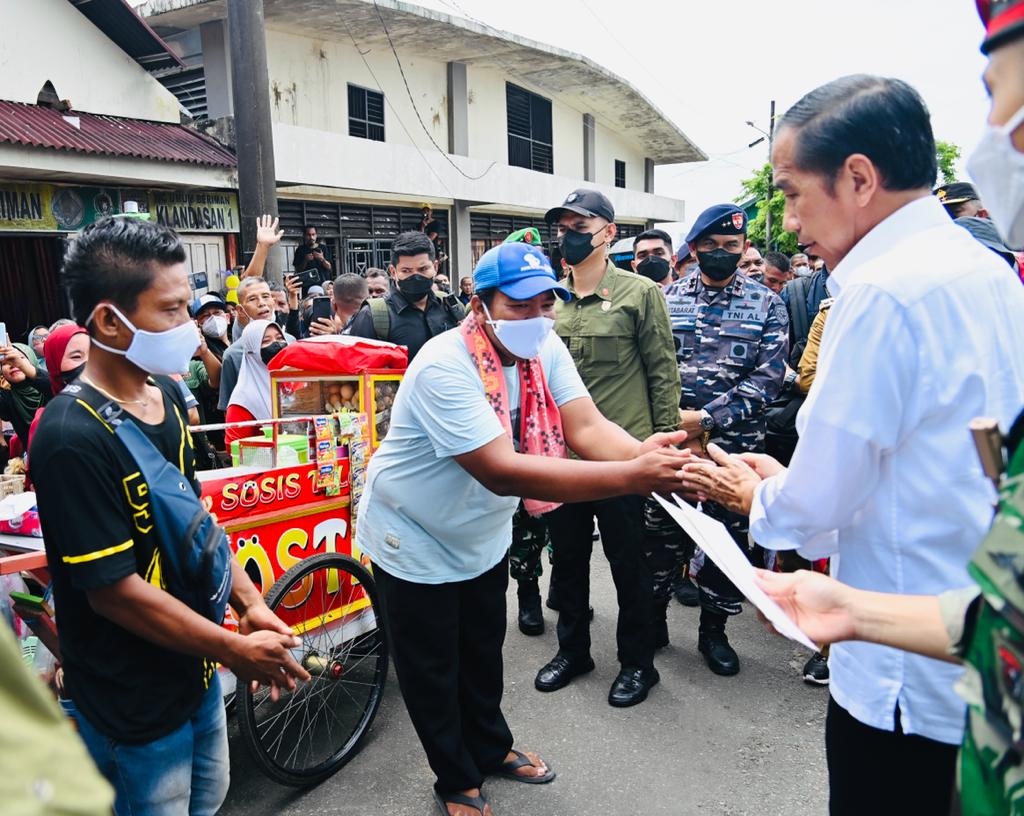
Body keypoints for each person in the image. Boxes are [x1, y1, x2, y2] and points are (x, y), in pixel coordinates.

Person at [679, 73, 1024, 816]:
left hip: (904, 677)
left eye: (794, 193)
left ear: (858, 178)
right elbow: (919, 463)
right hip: (975, 650)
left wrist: (756, 493)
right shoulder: (983, 271)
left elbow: (821, 498)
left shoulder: (880, 292)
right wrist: (793, 484)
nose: (790, 222)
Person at [356, 241, 691, 816]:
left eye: (546, 304)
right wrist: (633, 477)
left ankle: (490, 746)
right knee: (433, 666)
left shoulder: (543, 347)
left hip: (480, 533)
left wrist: (644, 456)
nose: (537, 318)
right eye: (520, 306)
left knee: (483, 649)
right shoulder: (444, 364)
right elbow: (501, 470)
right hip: (413, 533)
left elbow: (584, 424)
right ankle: (455, 778)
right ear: (480, 304)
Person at [30, 217, 309, 816]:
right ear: (109, 321)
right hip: (129, 702)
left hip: (198, 676)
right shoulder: (68, 435)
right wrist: (235, 649)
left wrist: (249, 602)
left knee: (208, 800)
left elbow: (197, 522)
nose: (190, 327)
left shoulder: (167, 398)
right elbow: (115, 593)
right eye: (173, 311)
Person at [534, 188, 680, 708]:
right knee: (568, 560)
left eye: (580, 226)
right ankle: (573, 651)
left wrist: (666, 450)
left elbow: (663, 372)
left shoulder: (641, 293)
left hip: (625, 456)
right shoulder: (548, 297)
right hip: (564, 458)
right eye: (563, 227)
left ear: (608, 232)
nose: (568, 236)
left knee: (628, 563)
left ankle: (638, 663)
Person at [661, 204, 788, 674]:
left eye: (731, 247)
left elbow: (770, 377)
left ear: (743, 248)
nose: (721, 254)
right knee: (660, 542)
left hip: (734, 452)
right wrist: (678, 428)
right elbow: (653, 370)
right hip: (671, 445)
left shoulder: (767, 302)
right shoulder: (667, 298)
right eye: (711, 247)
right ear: (694, 249)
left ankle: (713, 633)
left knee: (727, 546)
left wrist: (704, 421)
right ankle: (652, 624)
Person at [347, 231, 465, 362]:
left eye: (423, 269)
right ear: (393, 272)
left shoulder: (450, 306)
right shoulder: (372, 317)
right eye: (406, 271)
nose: (416, 276)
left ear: (435, 267)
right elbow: (357, 371)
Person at [217, 277, 295, 418]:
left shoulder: (290, 342)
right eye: (252, 299)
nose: (261, 303)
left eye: (266, 296)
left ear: (272, 300)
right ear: (240, 310)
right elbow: (230, 411)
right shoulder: (233, 355)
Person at [26, 323, 90, 451]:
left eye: (94, 354)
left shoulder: (123, 401)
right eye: (76, 356)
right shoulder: (51, 425)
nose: (89, 364)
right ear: (55, 362)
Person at [224, 320, 286, 447]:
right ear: (252, 350)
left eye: (280, 338)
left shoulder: (294, 381)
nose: (277, 344)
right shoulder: (243, 399)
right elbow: (234, 447)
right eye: (266, 341)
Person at [0, 342, 52, 451]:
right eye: (4, 363)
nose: (13, 364)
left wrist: (23, 366)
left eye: (20, 358)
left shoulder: (50, 386)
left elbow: (57, 387)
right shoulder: (7, 398)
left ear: (31, 360)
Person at [292, 224, 334, 294]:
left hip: (324, 285)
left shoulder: (323, 248)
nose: (311, 237)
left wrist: (322, 259)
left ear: (316, 235)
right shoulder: (300, 250)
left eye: (313, 234)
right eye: (308, 235)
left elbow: (329, 267)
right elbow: (298, 270)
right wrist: (305, 260)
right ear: (304, 236)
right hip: (307, 287)